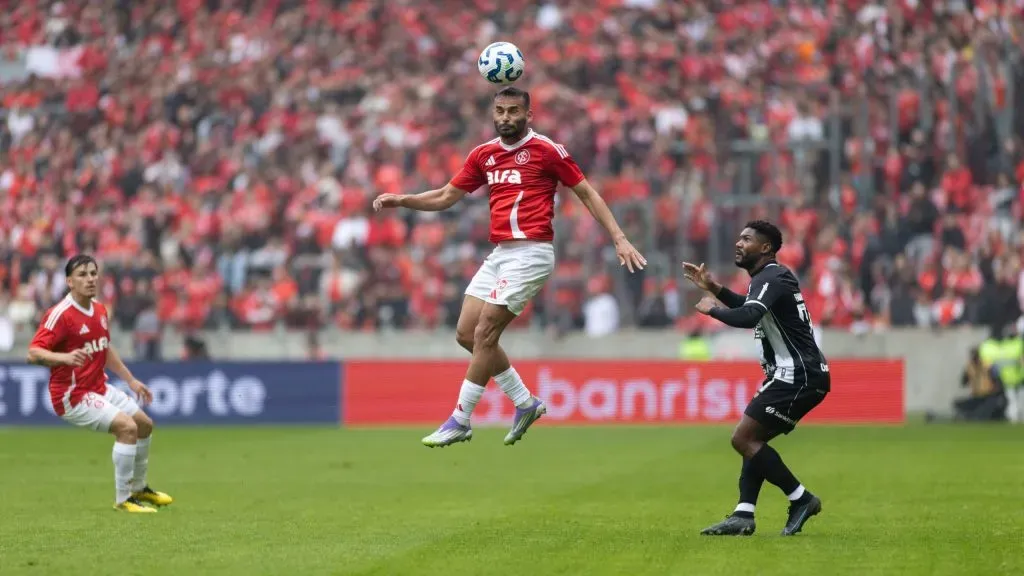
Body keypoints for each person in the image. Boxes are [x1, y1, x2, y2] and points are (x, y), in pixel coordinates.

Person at [373, 86, 646, 447]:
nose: (506, 118)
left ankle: (461, 418)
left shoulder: (547, 151)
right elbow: (444, 196)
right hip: (500, 253)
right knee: (467, 334)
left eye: (514, 111)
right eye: (500, 111)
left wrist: (618, 237)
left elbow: (587, 193)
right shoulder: (483, 155)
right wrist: (403, 200)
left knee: (486, 331)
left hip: (532, 253)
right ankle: (524, 401)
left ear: (528, 115)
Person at [682, 221, 829, 536]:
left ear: (766, 248)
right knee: (753, 441)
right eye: (739, 236)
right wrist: (715, 288)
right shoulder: (767, 278)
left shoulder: (772, 276)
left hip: (798, 374)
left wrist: (712, 310)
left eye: (747, 239)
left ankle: (801, 499)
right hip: (793, 373)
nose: (738, 242)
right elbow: (749, 307)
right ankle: (743, 514)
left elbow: (748, 316)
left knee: (743, 439)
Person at [26, 255, 173, 513]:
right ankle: (123, 499)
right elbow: (33, 353)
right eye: (82, 274)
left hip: (98, 387)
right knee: (126, 428)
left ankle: (139, 488)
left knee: (144, 425)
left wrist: (131, 380)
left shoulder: (100, 310)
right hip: (72, 395)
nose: (90, 279)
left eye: (93, 273)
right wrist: (64, 357)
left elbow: (104, 349)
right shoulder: (59, 315)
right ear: (69, 281)